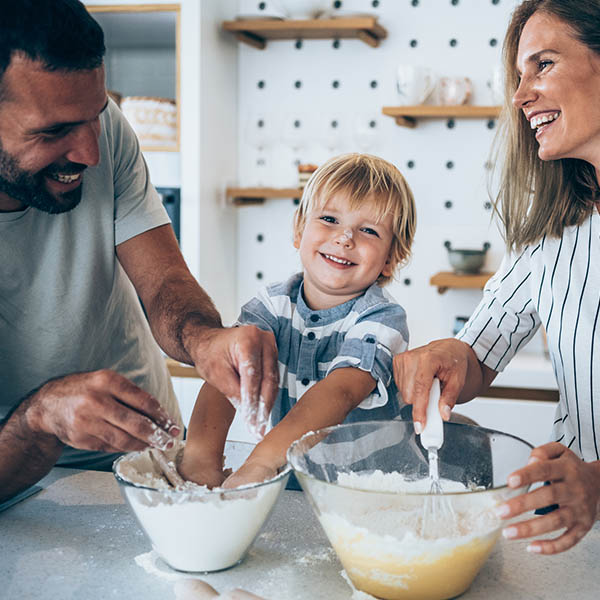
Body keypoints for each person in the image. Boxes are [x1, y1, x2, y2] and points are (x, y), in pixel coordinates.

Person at [0, 0, 278, 502]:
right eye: (53, 132)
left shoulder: (106, 138)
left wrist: (204, 340)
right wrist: (41, 418)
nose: (89, 153)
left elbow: (164, 282)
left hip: (147, 457)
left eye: (96, 114)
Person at [393, 0, 600, 555]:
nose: (519, 95)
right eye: (517, 76)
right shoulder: (554, 227)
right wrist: (451, 358)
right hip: (573, 535)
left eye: (544, 65)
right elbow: (479, 353)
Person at [180, 153, 416, 488]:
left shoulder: (382, 319)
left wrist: (260, 464)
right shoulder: (271, 306)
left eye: (368, 230)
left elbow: (340, 392)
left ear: (391, 259)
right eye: (330, 219)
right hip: (292, 478)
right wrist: (200, 461)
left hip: (374, 489)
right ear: (299, 230)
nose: (345, 238)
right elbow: (225, 374)